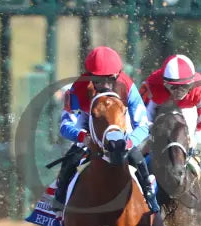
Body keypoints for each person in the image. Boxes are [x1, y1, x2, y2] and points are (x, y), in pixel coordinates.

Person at [56, 46, 157, 213]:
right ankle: (58, 204)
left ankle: (150, 199)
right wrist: (83, 138)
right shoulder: (77, 89)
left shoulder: (128, 87)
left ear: (117, 75)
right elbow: (65, 126)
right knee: (71, 160)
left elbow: (143, 125)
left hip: (120, 126)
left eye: (109, 80)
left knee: (137, 158)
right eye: (97, 80)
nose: (104, 86)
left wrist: (129, 141)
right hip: (90, 125)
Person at [139, 54, 201, 144]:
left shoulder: (200, 89)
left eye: (185, 86)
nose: (179, 91)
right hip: (158, 115)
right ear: (164, 82)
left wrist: (193, 140)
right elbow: (139, 120)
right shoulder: (151, 85)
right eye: (173, 87)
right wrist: (153, 130)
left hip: (188, 118)